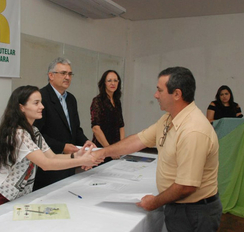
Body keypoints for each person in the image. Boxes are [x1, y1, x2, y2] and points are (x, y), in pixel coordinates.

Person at [91, 67, 222, 232]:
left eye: (160, 90)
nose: (155, 95)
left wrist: (155, 202)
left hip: (194, 212)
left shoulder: (193, 130)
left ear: (177, 94)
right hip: (180, 207)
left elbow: (186, 186)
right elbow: (138, 140)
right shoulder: (168, 119)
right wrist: (102, 152)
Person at [0, 86, 101, 213]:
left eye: (41, 102)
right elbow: (46, 164)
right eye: (36, 103)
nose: (42, 106)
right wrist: (82, 161)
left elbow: (52, 157)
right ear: (21, 107)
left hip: (15, 198)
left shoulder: (34, 131)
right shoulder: (18, 134)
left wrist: (77, 155)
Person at [33, 57, 94, 191]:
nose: (67, 77)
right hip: (48, 164)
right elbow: (36, 133)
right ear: (51, 76)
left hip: (70, 163)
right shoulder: (41, 97)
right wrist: (62, 147)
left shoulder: (71, 99)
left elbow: (75, 129)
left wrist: (86, 142)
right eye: (63, 73)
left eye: (70, 74)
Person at [90, 70, 125, 164]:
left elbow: (121, 125)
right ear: (104, 83)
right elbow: (96, 128)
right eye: (109, 80)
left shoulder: (117, 102)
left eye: (115, 80)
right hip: (102, 148)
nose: (113, 83)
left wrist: (121, 146)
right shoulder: (98, 101)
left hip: (116, 149)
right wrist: (109, 150)